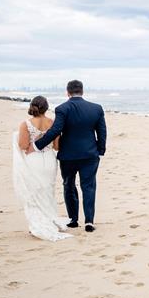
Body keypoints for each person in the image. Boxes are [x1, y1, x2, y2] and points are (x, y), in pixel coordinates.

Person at [31, 80, 106, 233]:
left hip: (68, 155)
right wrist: (100, 150)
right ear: (82, 91)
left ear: (68, 92)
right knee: (89, 186)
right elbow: (102, 132)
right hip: (90, 154)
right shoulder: (96, 108)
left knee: (69, 185)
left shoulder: (62, 109)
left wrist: (37, 145)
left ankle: (73, 220)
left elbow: (55, 131)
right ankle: (89, 221)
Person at [12, 96, 72, 241]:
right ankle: (50, 219)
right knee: (48, 191)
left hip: (34, 161)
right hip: (50, 161)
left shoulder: (25, 124)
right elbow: (57, 146)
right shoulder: (52, 122)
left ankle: (38, 224)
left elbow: (23, 146)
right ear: (46, 108)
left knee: (34, 193)